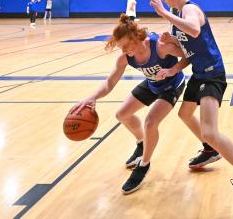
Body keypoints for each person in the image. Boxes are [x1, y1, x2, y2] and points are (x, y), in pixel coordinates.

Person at [150, 0, 233, 214]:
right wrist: (172, 62)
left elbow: (193, 30)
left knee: (210, 131)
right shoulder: (178, 18)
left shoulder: (190, 9)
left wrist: (164, 14)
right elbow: (188, 52)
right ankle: (210, 150)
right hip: (199, 73)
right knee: (184, 113)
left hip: (212, 74)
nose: (163, 0)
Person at [70, 14, 186, 194]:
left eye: (125, 45)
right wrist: (92, 97)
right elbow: (110, 83)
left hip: (171, 85)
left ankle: (144, 165)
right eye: (120, 47)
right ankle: (141, 143)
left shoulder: (159, 46)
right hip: (152, 83)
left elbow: (188, 54)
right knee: (121, 114)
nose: (123, 50)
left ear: (135, 37)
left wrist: (173, 62)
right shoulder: (125, 58)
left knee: (150, 122)